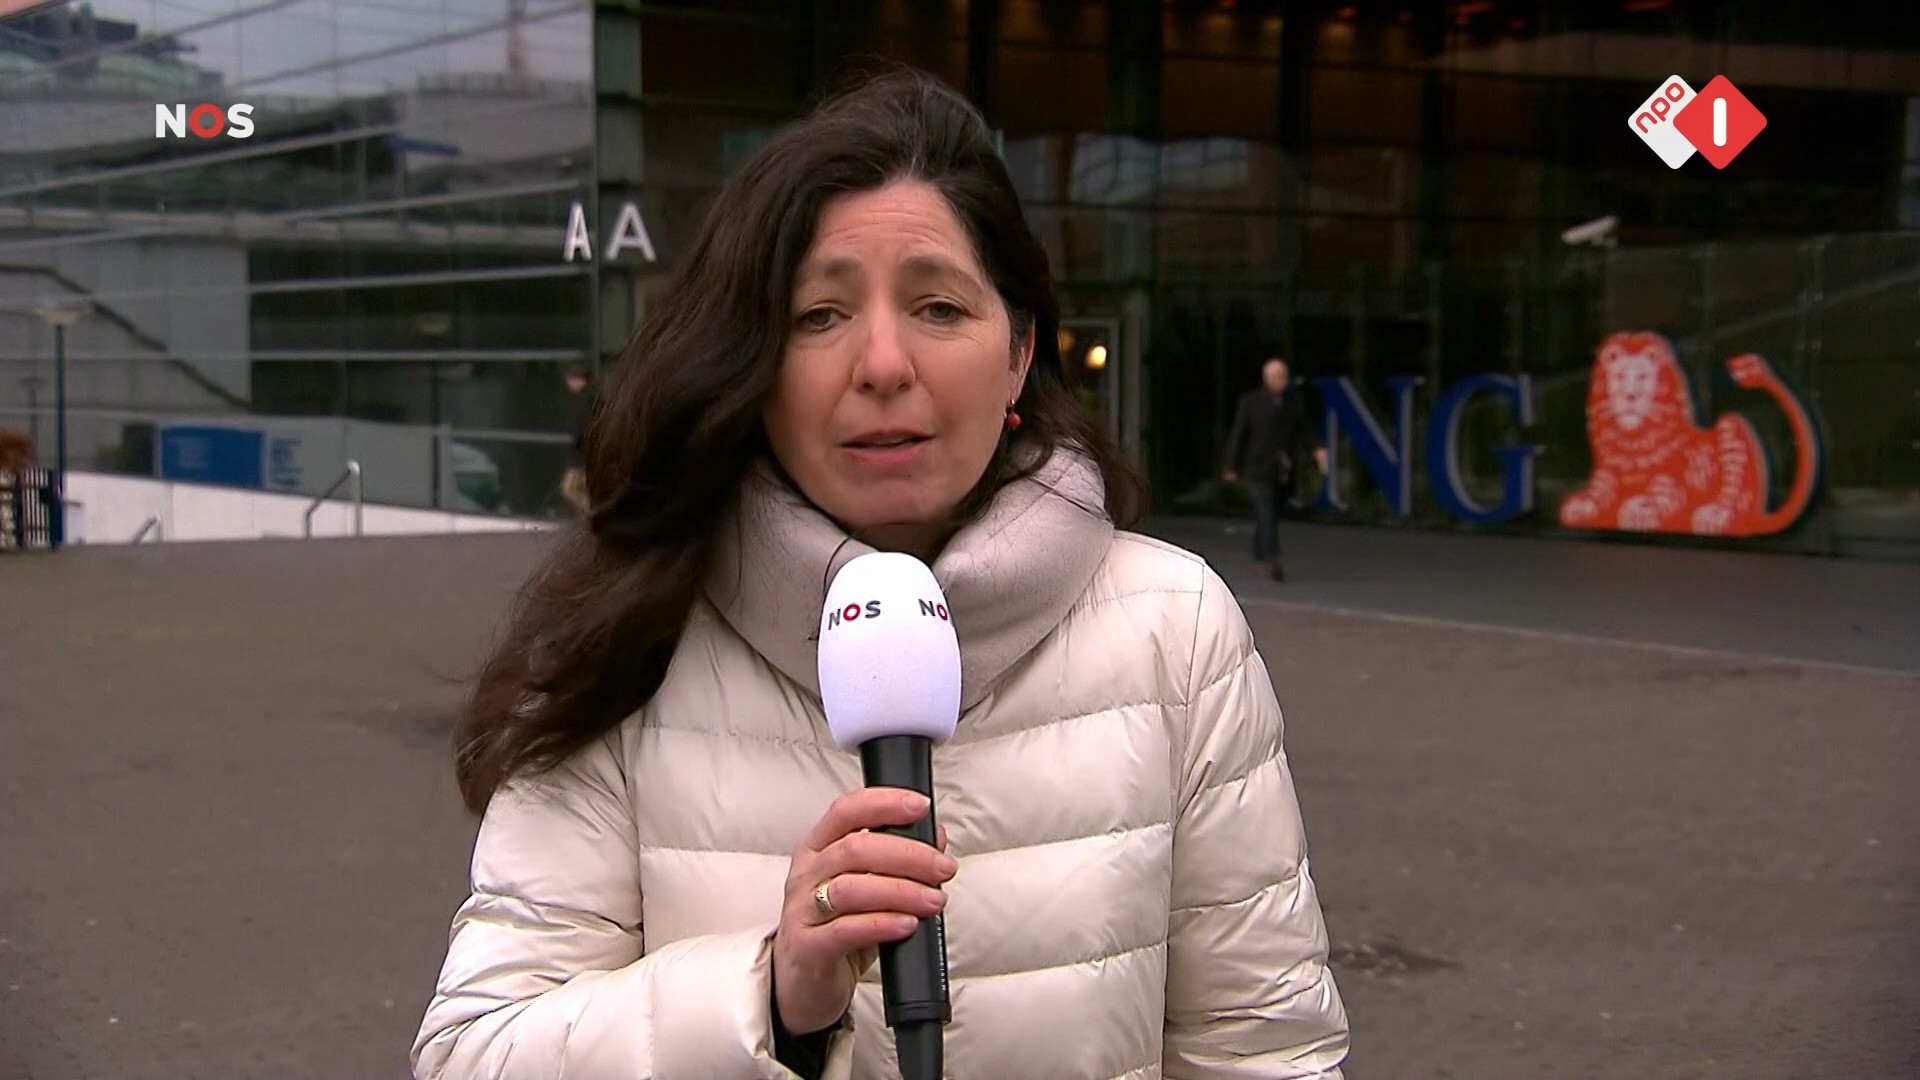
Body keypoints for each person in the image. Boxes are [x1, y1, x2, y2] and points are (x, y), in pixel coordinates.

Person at [413, 70, 1347, 1080]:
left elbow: (1267, 1052)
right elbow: (473, 1054)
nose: (884, 364)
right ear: (753, 363)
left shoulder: (1176, 629)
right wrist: (769, 1002)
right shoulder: (632, 630)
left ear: (1020, 352)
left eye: (939, 307)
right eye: (820, 316)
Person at [1222, 358, 1326, 582]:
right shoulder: (1250, 402)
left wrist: (1317, 448)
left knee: (1270, 514)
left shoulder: (1292, 403)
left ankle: (1259, 553)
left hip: (1282, 470)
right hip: (1256, 469)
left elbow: (1304, 428)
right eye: (1277, 377)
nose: (1281, 381)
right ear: (1266, 378)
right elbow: (1238, 435)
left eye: (1283, 376)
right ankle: (1272, 558)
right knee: (1266, 511)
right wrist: (1231, 465)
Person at [559, 365, 595, 513]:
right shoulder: (588, 398)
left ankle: (594, 514)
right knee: (579, 489)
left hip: (583, 455)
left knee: (570, 488)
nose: (568, 384)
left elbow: (582, 428)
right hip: (585, 455)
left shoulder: (586, 400)